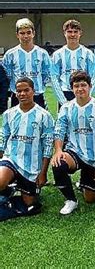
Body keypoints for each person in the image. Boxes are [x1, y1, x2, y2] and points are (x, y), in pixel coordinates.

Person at [51, 71, 95, 215]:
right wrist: (59, 151)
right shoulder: (66, 107)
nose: (80, 89)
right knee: (58, 163)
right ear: (72, 88)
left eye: (83, 85)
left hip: (94, 157)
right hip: (75, 152)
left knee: (90, 199)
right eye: (76, 86)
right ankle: (71, 200)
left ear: (90, 86)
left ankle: (87, 182)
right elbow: (59, 131)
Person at [0, 78, 54, 212]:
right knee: (0, 181)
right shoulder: (9, 114)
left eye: (26, 90)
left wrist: (43, 173)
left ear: (33, 91)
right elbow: (3, 137)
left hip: (32, 166)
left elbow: (47, 147)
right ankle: (7, 188)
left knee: (30, 203)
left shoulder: (44, 115)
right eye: (19, 91)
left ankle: (14, 189)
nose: (22, 94)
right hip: (11, 160)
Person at [2, 18, 51, 109]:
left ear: (33, 33)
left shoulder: (42, 53)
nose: (26, 36)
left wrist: (38, 86)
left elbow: (46, 74)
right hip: (18, 97)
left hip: (37, 96)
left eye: (28, 32)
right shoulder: (10, 54)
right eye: (22, 33)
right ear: (17, 35)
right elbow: (7, 76)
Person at [51, 19, 95, 108]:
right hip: (66, 93)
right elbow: (54, 78)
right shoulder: (58, 55)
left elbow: (94, 76)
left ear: (80, 33)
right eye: (69, 32)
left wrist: (88, 96)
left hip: (83, 92)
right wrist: (62, 101)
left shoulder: (88, 54)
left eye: (75, 32)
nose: (72, 35)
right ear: (64, 33)